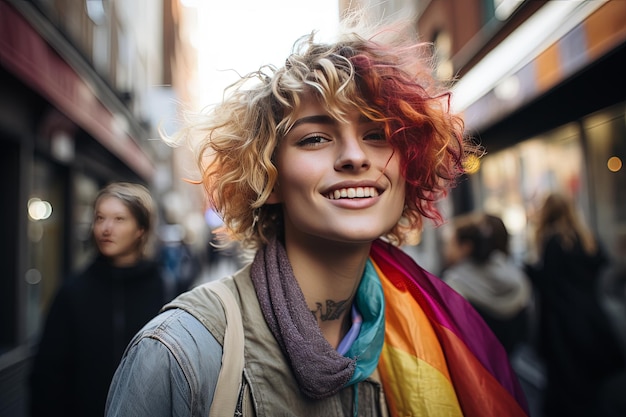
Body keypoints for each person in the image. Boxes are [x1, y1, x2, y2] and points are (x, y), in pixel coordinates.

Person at [106, 20, 529, 417]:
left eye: (376, 134)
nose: (354, 156)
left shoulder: (420, 341)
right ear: (267, 179)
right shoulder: (178, 353)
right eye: (315, 138)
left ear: (408, 167)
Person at [29, 182, 167, 417]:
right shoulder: (73, 291)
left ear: (141, 229)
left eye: (119, 219)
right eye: (100, 218)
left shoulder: (162, 289)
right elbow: (47, 375)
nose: (106, 228)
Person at [527, 192, 625, 417]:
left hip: (562, 324)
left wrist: (531, 271)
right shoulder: (586, 237)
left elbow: (548, 283)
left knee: (567, 388)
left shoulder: (552, 241)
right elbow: (602, 262)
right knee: (592, 381)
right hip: (591, 318)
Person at [442, 212, 532, 354]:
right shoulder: (516, 278)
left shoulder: (454, 284)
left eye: (450, 243)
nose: (445, 250)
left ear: (466, 247)